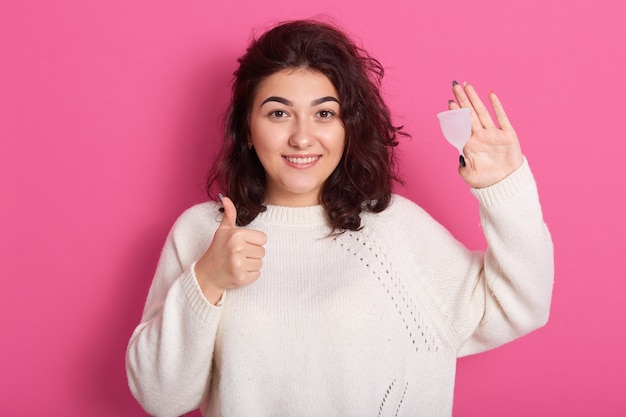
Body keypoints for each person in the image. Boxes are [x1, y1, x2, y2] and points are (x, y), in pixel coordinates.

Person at [126, 19, 554, 417]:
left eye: (324, 113)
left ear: (348, 126)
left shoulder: (395, 230)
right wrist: (208, 281)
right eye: (278, 113)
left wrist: (505, 189)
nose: (302, 136)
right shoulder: (202, 233)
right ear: (247, 127)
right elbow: (161, 397)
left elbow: (520, 306)